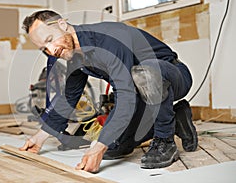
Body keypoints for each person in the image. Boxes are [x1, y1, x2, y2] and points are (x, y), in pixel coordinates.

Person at [19, 10, 198, 172]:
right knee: (118, 144)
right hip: (142, 91)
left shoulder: (109, 38)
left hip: (172, 76)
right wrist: (40, 137)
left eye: (50, 40)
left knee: (145, 72)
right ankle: (177, 119)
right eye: (44, 49)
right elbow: (69, 97)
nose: (51, 51)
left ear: (62, 25)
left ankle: (165, 139)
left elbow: (126, 95)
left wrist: (98, 145)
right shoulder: (76, 56)